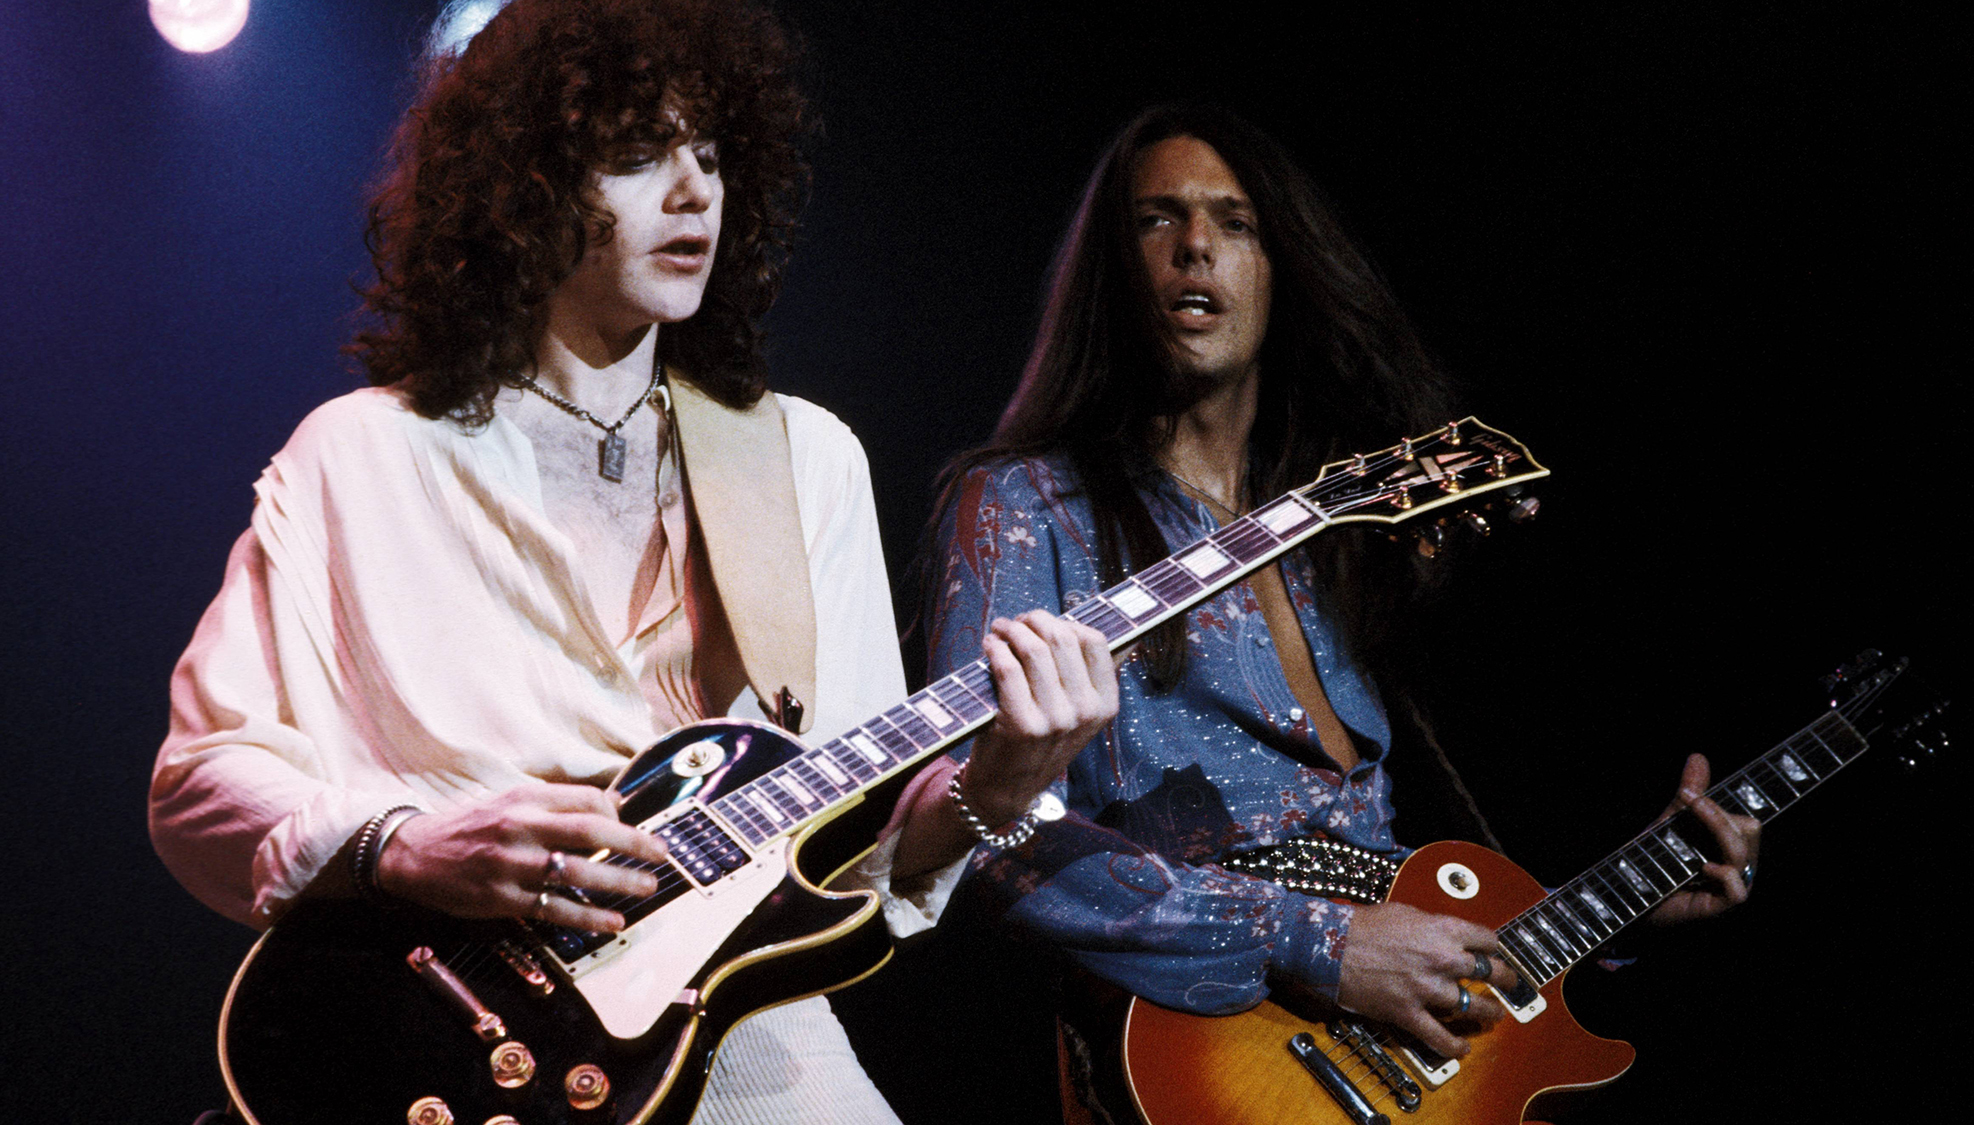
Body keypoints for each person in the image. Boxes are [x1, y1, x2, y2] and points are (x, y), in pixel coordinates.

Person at [148, 3, 1114, 1123]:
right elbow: (199, 785)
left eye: (709, 154)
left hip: (744, 1036)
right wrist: (407, 846)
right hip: (436, 1038)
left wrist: (996, 785)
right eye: (638, 154)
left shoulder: (802, 460)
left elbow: (851, 854)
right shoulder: (361, 456)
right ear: (524, 184)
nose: (694, 190)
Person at [925, 103, 1762, 1112]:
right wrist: (1318, 942)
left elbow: (1406, 893)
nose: (1197, 246)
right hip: (1201, 1062)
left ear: (1281, 270)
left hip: (1388, 1067)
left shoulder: (1341, 527)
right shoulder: (1022, 507)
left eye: (1235, 224)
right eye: (1158, 219)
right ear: (1110, 267)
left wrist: (1618, 913)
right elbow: (978, 835)